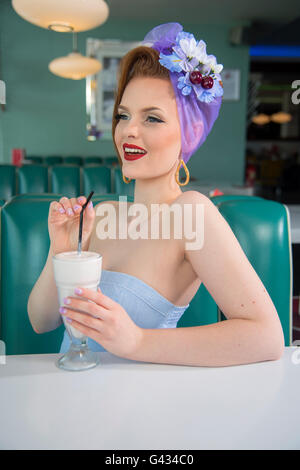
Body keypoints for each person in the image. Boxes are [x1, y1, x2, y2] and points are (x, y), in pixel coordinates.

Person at [27, 23, 284, 367]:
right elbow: (41, 321)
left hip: (134, 408)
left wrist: (136, 340)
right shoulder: (100, 214)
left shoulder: (191, 214)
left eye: (152, 118)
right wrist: (59, 252)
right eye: (123, 115)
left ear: (190, 134)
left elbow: (266, 337)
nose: (129, 131)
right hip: (68, 395)